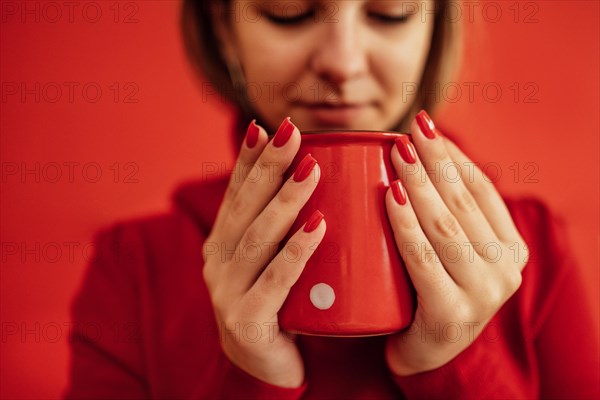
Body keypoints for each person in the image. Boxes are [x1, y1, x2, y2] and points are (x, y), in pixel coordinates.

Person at [64, 1, 599, 399]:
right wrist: (251, 377)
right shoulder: (134, 263)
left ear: (434, 26)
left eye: (390, 13)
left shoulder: (532, 248)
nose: (342, 63)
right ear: (225, 30)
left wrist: (457, 367)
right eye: (289, 11)